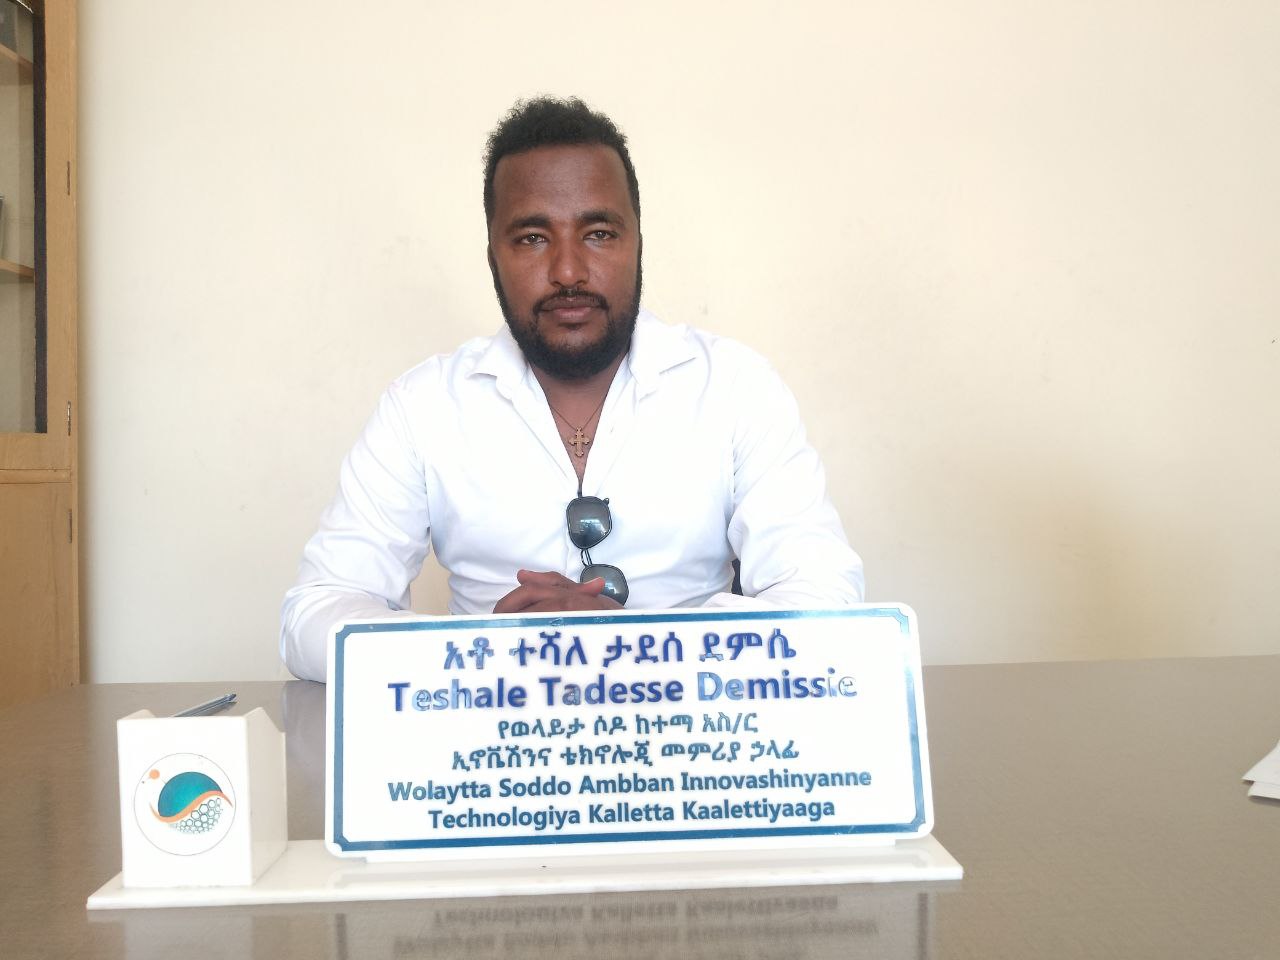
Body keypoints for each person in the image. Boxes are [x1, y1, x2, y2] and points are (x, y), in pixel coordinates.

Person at [280, 97, 863, 682]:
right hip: (483, 727)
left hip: (692, 728)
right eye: (533, 238)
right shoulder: (422, 406)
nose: (567, 271)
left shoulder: (735, 388)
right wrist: (482, 653)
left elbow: (824, 599)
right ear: (493, 258)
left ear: (638, 244)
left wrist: (634, 647)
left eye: (599, 233)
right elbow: (313, 616)